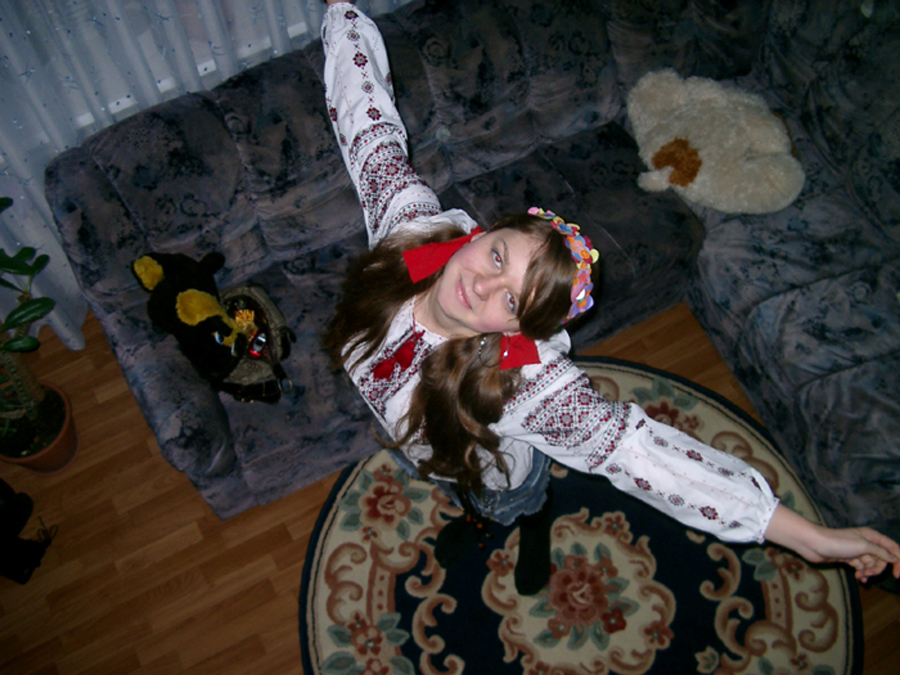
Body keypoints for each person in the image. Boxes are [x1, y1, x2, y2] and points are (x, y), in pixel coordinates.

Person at [319, 0, 900, 595]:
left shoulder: (526, 386)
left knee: (510, 500)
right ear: (484, 232)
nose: (482, 286)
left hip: (496, 471)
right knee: (443, 476)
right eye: (497, 257)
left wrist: (806, 535)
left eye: (512, 303)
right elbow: (369, 124)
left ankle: (529, 521)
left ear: (517, 331)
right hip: (429, 448)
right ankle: (477, 513)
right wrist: (341, 12)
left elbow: (640, 454)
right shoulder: (410, 235)